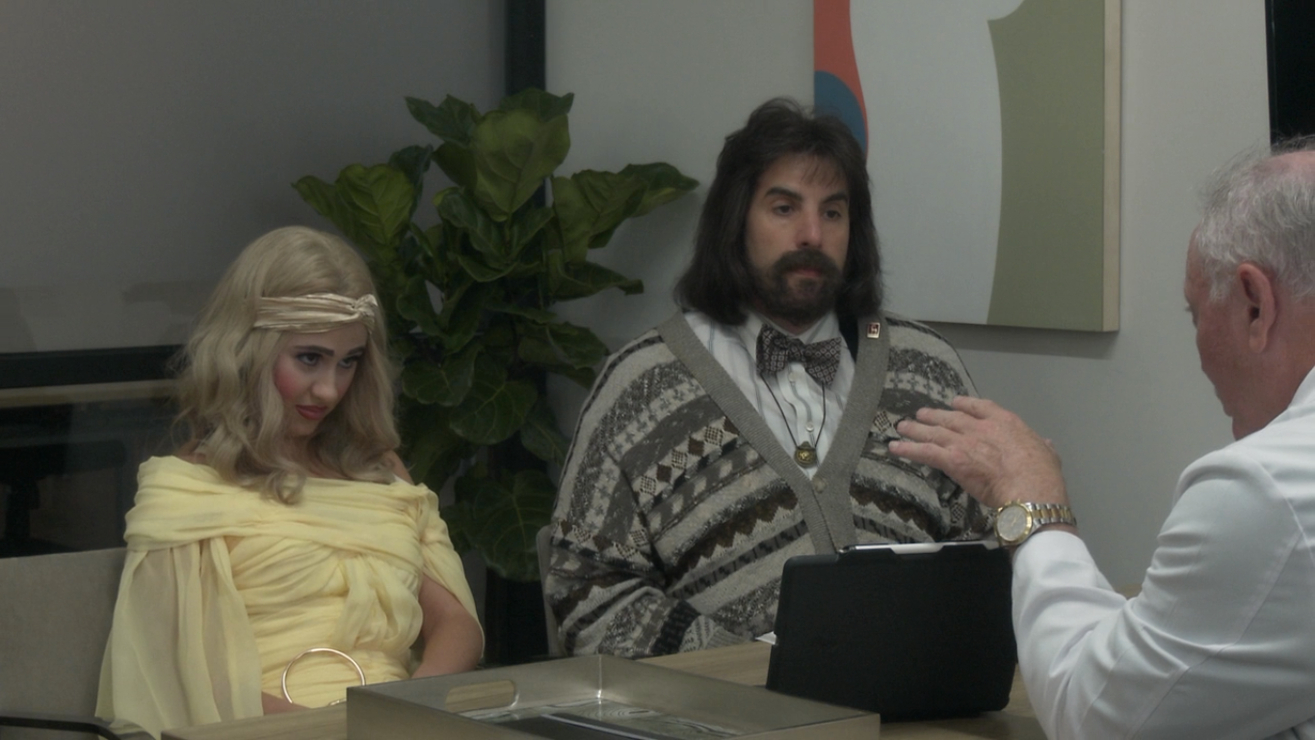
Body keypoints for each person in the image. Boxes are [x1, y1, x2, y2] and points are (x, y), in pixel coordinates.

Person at [891, 141, 1315, 738]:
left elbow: (1096, 717)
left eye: (1195, 315)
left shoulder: (1264, 491)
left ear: (1255, 306)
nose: (1197, 352)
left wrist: (1033, 506)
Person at [544, 98, 992, 658]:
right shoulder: (641, 389)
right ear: (735, 222)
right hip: (730, 699)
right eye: (784, 208)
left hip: (922, 688)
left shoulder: (927, 369)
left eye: (834, 213)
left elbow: (990, 545)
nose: (812, 234)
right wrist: (736, 663)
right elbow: (586, 588)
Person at [96, 226, 482, 737]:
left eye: (349, 362)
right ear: (247, 350)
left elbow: (457, 625)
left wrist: (405, 710)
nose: (330, 390)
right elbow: (184, 678)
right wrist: (338, 728)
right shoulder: (186, 489)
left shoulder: (381, 469)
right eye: (310, 358)